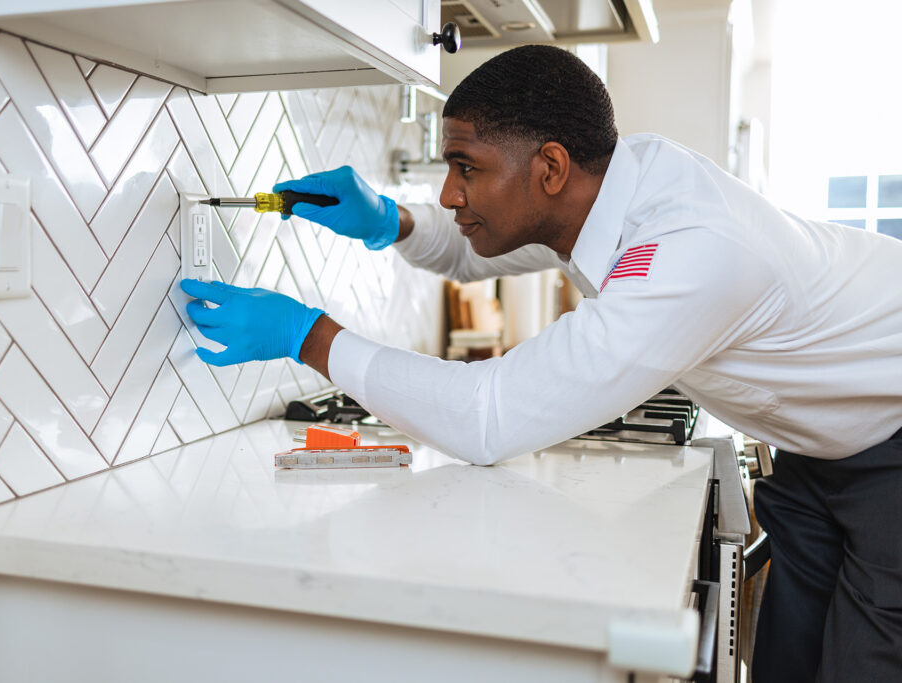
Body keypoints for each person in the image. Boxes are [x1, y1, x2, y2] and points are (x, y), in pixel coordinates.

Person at [179, 45, 902, 681]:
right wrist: (387, 219)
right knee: (789, 658)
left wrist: (309, 335)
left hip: (892, 431)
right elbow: (475, 245)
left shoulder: (690, 249)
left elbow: (487, 417)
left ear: (550, 166)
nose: (448, 192)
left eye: (465, 167)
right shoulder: (611, 184)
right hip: (823, 442)